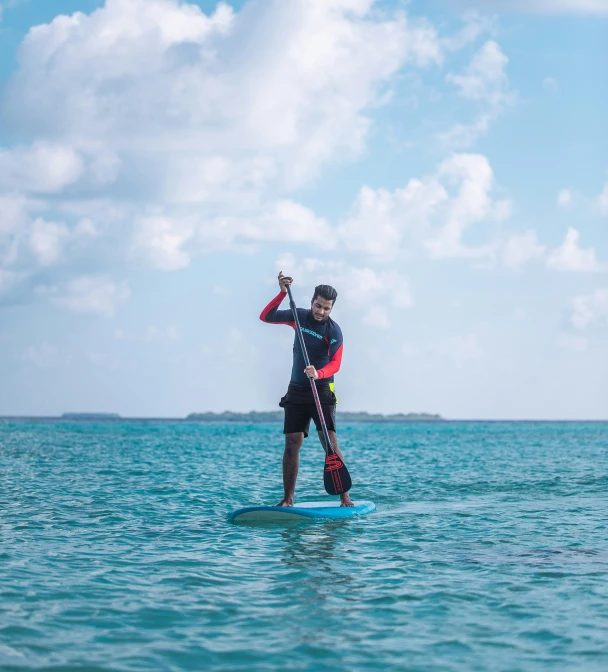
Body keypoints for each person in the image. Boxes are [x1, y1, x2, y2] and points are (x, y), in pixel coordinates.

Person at [260, 271, 353, 507]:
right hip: (297, 391)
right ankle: (288, 499)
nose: (321, 311)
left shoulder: (334, 331)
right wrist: (282, 293)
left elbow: (336, 364)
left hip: (321, 391)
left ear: (332, 308)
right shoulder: (299, 316)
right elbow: (266, 316)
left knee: (329, 443)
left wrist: (319, 373)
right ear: (312, 301)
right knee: (292, 443)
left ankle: (345, 497)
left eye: (326, 308)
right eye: (318, 305)